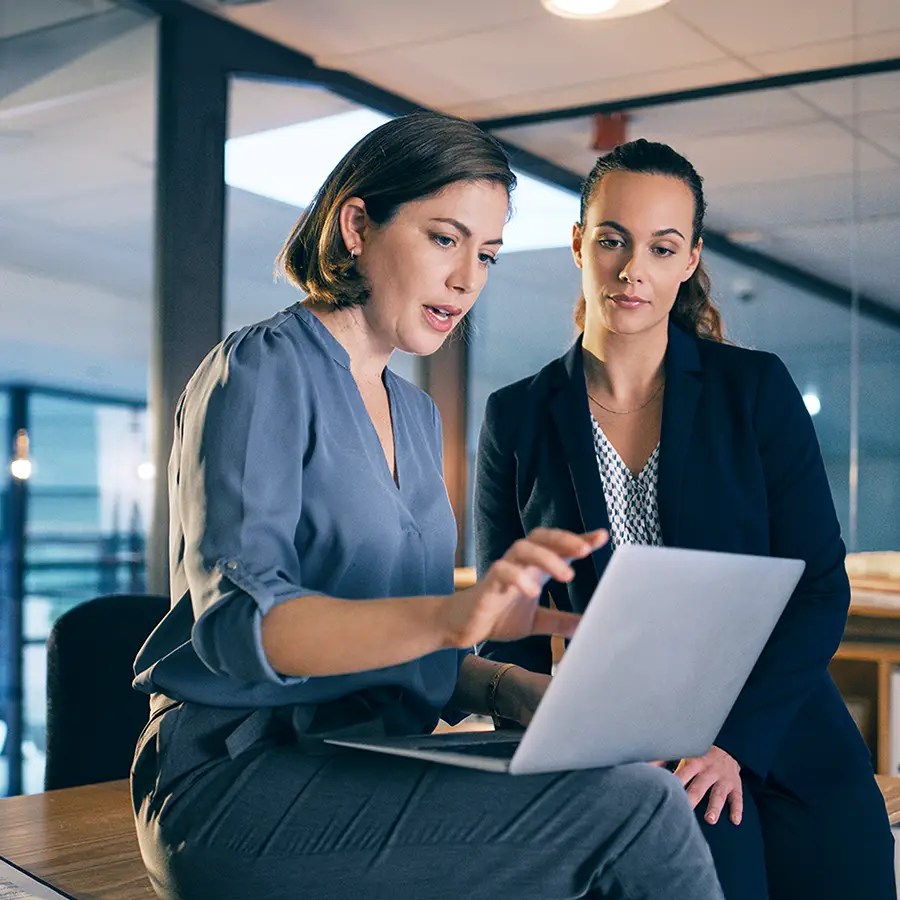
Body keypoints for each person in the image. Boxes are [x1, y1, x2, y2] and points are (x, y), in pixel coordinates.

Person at [130, 113, 724, 900]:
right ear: (356, 225)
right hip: (240, 780)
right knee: (634, 811)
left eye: (487, 255)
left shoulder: (413, 413)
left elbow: (405, 647)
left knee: (617, 774)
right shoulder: (263, 369)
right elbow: (240, 626)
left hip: (369, 756)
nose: (467, 279)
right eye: (445, 239)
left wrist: (531, 696)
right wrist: (451, 618)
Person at [474, 138, 896, 900]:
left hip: (784, 729)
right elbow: (513, 624)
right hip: (637, 755)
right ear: (579, 244)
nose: (633, 268)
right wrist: (530, 773)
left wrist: (734, 743)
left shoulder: (755, 391)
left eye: (661, 247)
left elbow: (818, 589)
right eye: (612, 240)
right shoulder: (517, 417)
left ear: (689, 259)